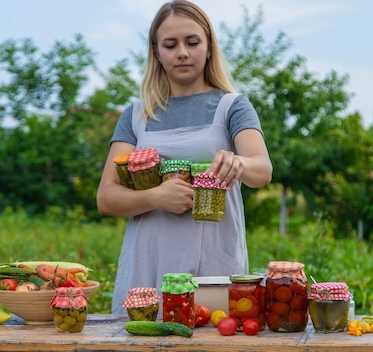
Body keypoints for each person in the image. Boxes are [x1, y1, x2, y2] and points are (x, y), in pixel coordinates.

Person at [96, 0, 272, 314]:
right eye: (170, 44)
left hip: (214, 264)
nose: (182, 52)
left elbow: (262, 171)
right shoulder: (137, 115)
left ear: (208, 47)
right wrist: (156, 197)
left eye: (192, 42)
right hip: (148, 264)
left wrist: (239, 163)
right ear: (156, 51)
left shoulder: (232, 106)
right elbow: (107, 198)